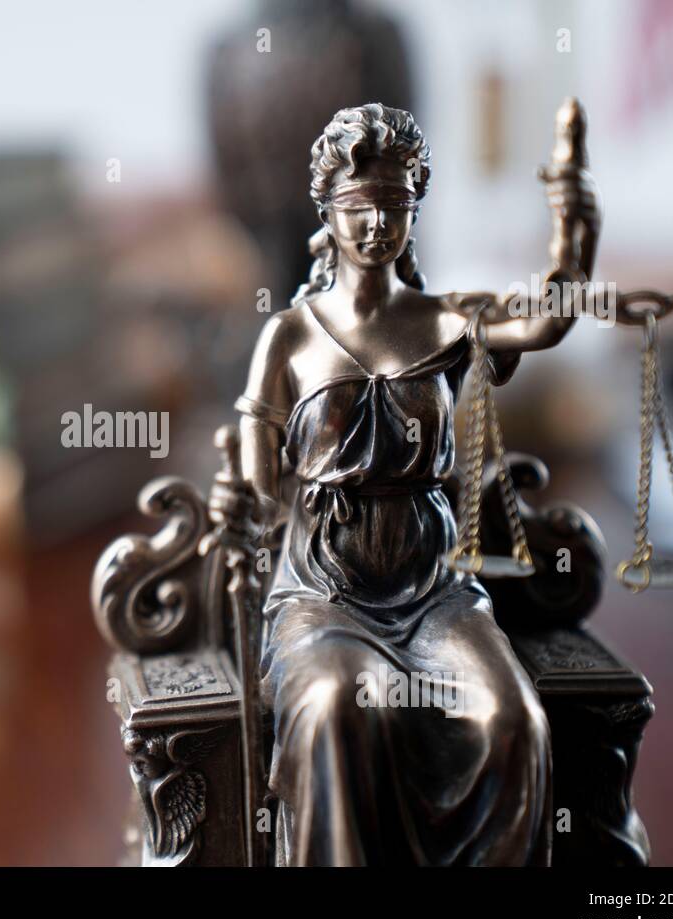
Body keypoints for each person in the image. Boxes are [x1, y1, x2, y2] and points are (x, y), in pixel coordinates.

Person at [210, 103, 600, 865]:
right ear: (327, 211)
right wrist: (243, 502)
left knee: (509, 719)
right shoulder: (289, 336)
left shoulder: (448, 319)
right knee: (334, 709)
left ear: (416, 207)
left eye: (396, 204)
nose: (377, 224)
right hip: (327, 596)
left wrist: (574, 234)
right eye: (359, 208)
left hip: (434, 593)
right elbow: (260, 470)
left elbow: (549, 320)